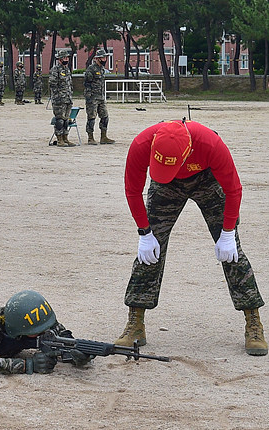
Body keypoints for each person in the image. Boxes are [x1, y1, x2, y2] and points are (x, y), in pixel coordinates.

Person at [114, 119, 267, 356]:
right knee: (150, 253)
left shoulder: (210, 143)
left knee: (231, 251)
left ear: (188, 151)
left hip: (206, 179)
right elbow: (132, 189)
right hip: (166, 187)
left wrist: (227, 232)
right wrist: (144, 232)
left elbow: (233, 189)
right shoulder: (142, 143)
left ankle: (253, 322)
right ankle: (136, 323)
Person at [84, 48, 114, 145]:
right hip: (92, 98)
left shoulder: (102, 69)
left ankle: (103, 137)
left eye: (105, 58)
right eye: (103, 58)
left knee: (105, 117)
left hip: (101, 97)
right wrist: (88, 97)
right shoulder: (91, 69)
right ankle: (90, 137)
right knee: (91, 117)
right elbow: (87, 84)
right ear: (97, 58)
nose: (105, 59)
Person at [49, 48, 74, 147]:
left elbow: (69, 84)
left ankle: (65, 138)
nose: (66, 59)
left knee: (66, 120)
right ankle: (59, 139)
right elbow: (53, 84)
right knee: (59, 120)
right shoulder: (55, 70)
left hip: (67, 99)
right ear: (59, 59)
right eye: (64, 57)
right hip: (59, 100)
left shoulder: (66, 69)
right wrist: (57, 97)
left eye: (67, 57)